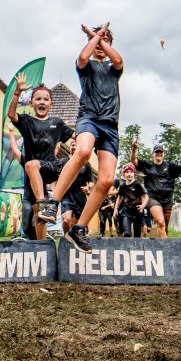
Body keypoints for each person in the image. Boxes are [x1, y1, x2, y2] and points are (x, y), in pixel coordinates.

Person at [41, 23, 124, 254]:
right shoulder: (86, 66)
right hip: (89, 118)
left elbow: (118, 60)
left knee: (106, 180)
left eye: (105, 40)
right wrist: (94, 36)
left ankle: (79, 229)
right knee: (84, 151)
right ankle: (52, 203)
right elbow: (82, 57)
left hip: (110, 126)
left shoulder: (114, 68)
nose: (100, 44)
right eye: (97, 41)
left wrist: (97, 37)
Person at [6, 75, 74, 240]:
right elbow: (11, 114)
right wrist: (17, 92)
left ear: (51, 104)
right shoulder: (27, 121)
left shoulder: (57, 123)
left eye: (45, 99)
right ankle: (43, 246)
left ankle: (45, 206)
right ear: (31, 103)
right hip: (34, 179)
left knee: (31, 165)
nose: (42, 102)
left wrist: (83, 142)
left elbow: (76, 136)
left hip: (51, 168)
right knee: (39, 215)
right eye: (38, 99)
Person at [131, 140, 181, 238]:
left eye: (160, 152)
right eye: (156, 152)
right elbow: (134, 160)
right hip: (153, 198)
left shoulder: (170, 166)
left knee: (164, 227)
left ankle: (160, 245)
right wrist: (134, 149)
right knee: (160, 222)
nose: (159, 154)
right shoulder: (147, 165)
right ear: (153, 154)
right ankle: (168, 246)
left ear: (163, 154)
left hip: (167, 200)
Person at [113, 163, 149, 237]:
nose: (129, 174)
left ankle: (136, 244)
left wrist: (143, 206)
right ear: (124, 174)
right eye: (127, 172)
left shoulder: (138, 185)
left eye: (131, 172)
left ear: (134, 174)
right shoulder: (122, 186)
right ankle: (126, 240)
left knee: (137, 236)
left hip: (137, 211)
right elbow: (119, 197)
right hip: (127, 212)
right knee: (127, 233)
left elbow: (146, 196)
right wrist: (116, 209)